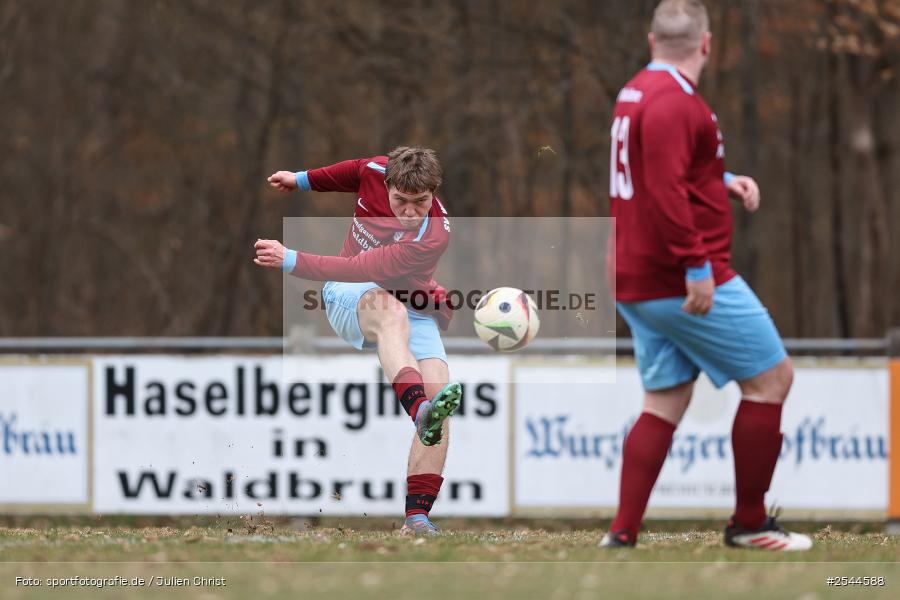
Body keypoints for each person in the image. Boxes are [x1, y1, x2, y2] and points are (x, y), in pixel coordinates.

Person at [603, 0, 812, 551]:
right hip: (684, 276)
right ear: (707, 44)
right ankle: (749, 524)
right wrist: (697, 268)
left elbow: (665, 172)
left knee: (665, 400)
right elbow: (667, 192)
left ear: (652, 42)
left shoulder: (636, 92)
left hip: (636, 274)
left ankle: (621, 534)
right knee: (772, 380)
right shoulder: (676, 102)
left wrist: (724, 180)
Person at [254, 146, 461, 535]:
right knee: (391, 316)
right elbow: (350, 171)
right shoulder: (375, 170)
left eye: (422, 202)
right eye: (402, 201)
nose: (411, 211)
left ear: (434, 191)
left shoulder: (432, 236)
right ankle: (419, 410)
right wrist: (299, 180)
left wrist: (289, 257)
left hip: (411, 300)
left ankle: (417, 518)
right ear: (387, 184)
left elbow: (361, 262)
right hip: (350, 291)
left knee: (441, 396)